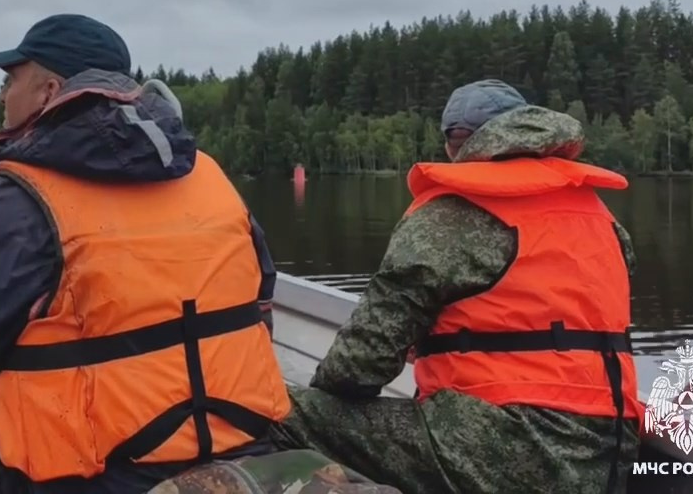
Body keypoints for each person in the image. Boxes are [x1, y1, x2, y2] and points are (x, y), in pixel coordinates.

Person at [0, 14, 292, 494]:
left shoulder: (18, 200)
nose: (3, 96)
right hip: (238, 463)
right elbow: (259, 320)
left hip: (98, 483)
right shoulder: (211, 179)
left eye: (10, 80)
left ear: (49, 91)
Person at [269, 79, 644, 494]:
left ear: (458, 144)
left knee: (278, 411)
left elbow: (362, 359)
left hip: (510, 449)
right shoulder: (599, 215)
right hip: (609, 451)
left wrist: (330, 412)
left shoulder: (453, 211)